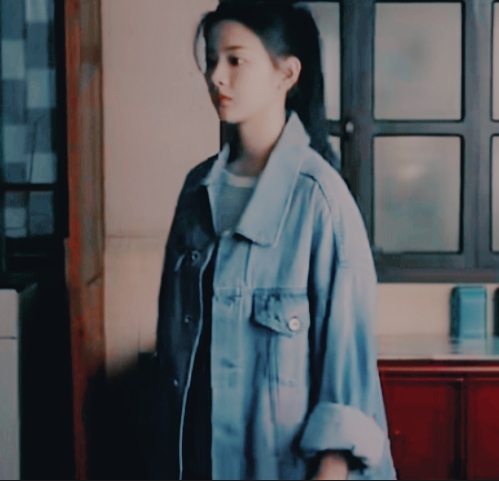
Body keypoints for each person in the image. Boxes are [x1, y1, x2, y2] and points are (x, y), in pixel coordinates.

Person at [151, 2, 397, 480]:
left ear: (287, 73)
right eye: (211, 60)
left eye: (235, 60)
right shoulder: (195, 192)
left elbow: (347, 393)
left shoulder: (321, 201)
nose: (216, 77)